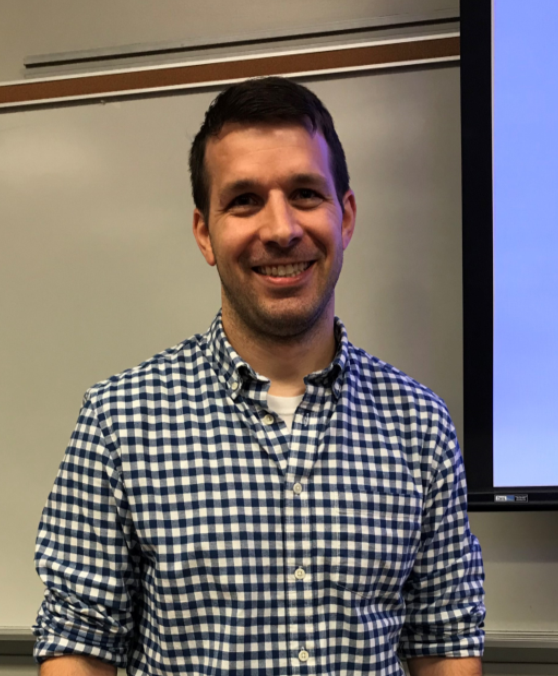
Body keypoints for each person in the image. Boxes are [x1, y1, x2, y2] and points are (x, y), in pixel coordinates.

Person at [33, 76, 485, 676]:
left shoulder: (420, 426)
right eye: (244, 199)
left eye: (304, 193)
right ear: (205, 233)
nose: (280, 229)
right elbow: (79, 645)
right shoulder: (119, 423)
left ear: (344, 216)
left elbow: (445, 641)